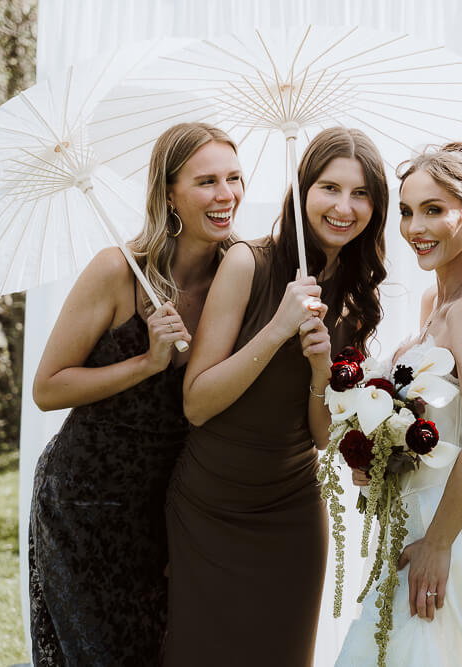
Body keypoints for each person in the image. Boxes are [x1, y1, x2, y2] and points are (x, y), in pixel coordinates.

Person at [163, 127, 388, 666]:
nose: (343, 207)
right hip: (210, 509)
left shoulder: (354, 301)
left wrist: (318, 372)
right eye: (329, 188)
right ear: (302, 189)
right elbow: (196, 402)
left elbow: (320, 434)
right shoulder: (247, 263)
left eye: (361, 194)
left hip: (291, 512)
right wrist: (278, 328)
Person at [27, 122, 242, 664]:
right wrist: (147, 364)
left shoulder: (237, 273)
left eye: (235, 179)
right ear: (168, 193)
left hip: (173, 507)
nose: (226, 195)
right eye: (207, 181)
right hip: (86, 501)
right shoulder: (117, 271)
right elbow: (48, 389)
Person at [338, 142, 462, 667]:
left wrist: (439, 544)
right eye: (405, 211)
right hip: (406, 524)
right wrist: (379, 455)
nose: (414, 227)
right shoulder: (434, 302)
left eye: (433, 210)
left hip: (446, 532)